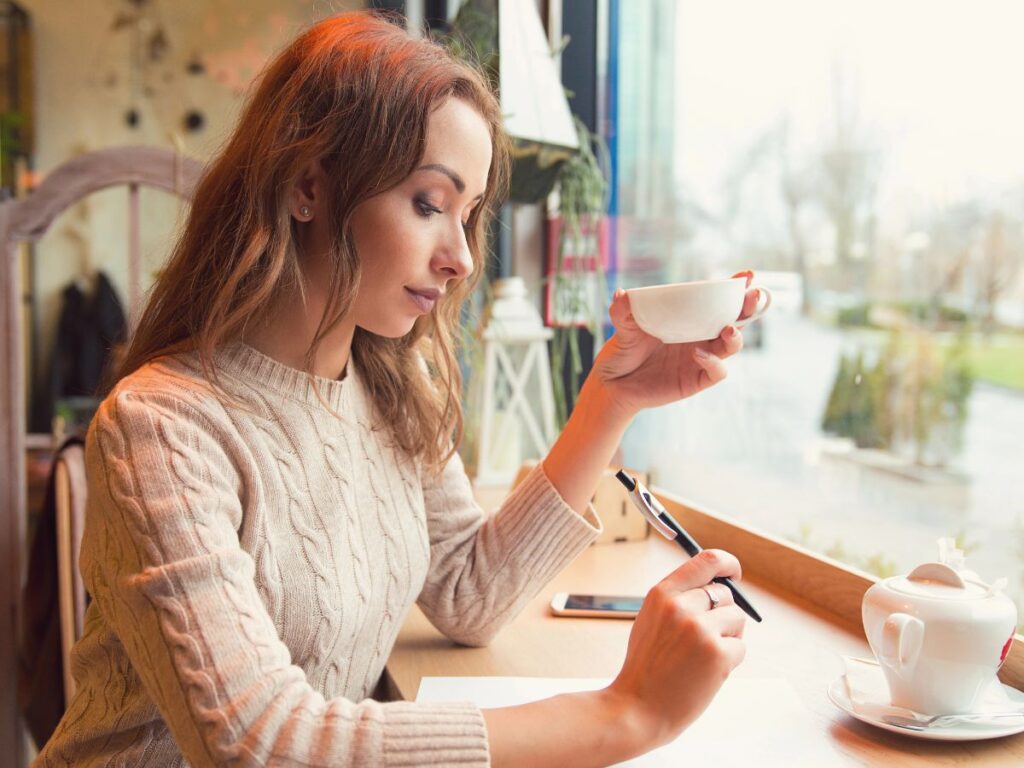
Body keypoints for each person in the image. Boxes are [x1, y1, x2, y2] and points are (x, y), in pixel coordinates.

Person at [37, 11, 758, 767]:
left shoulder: (389, 387)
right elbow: (257, 743)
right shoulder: (162, 426)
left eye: (470, 215)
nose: (462, 259)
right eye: (428, 204)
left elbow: (468, 593)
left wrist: (615, 399)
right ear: (308, 186)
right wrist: (624, 713)